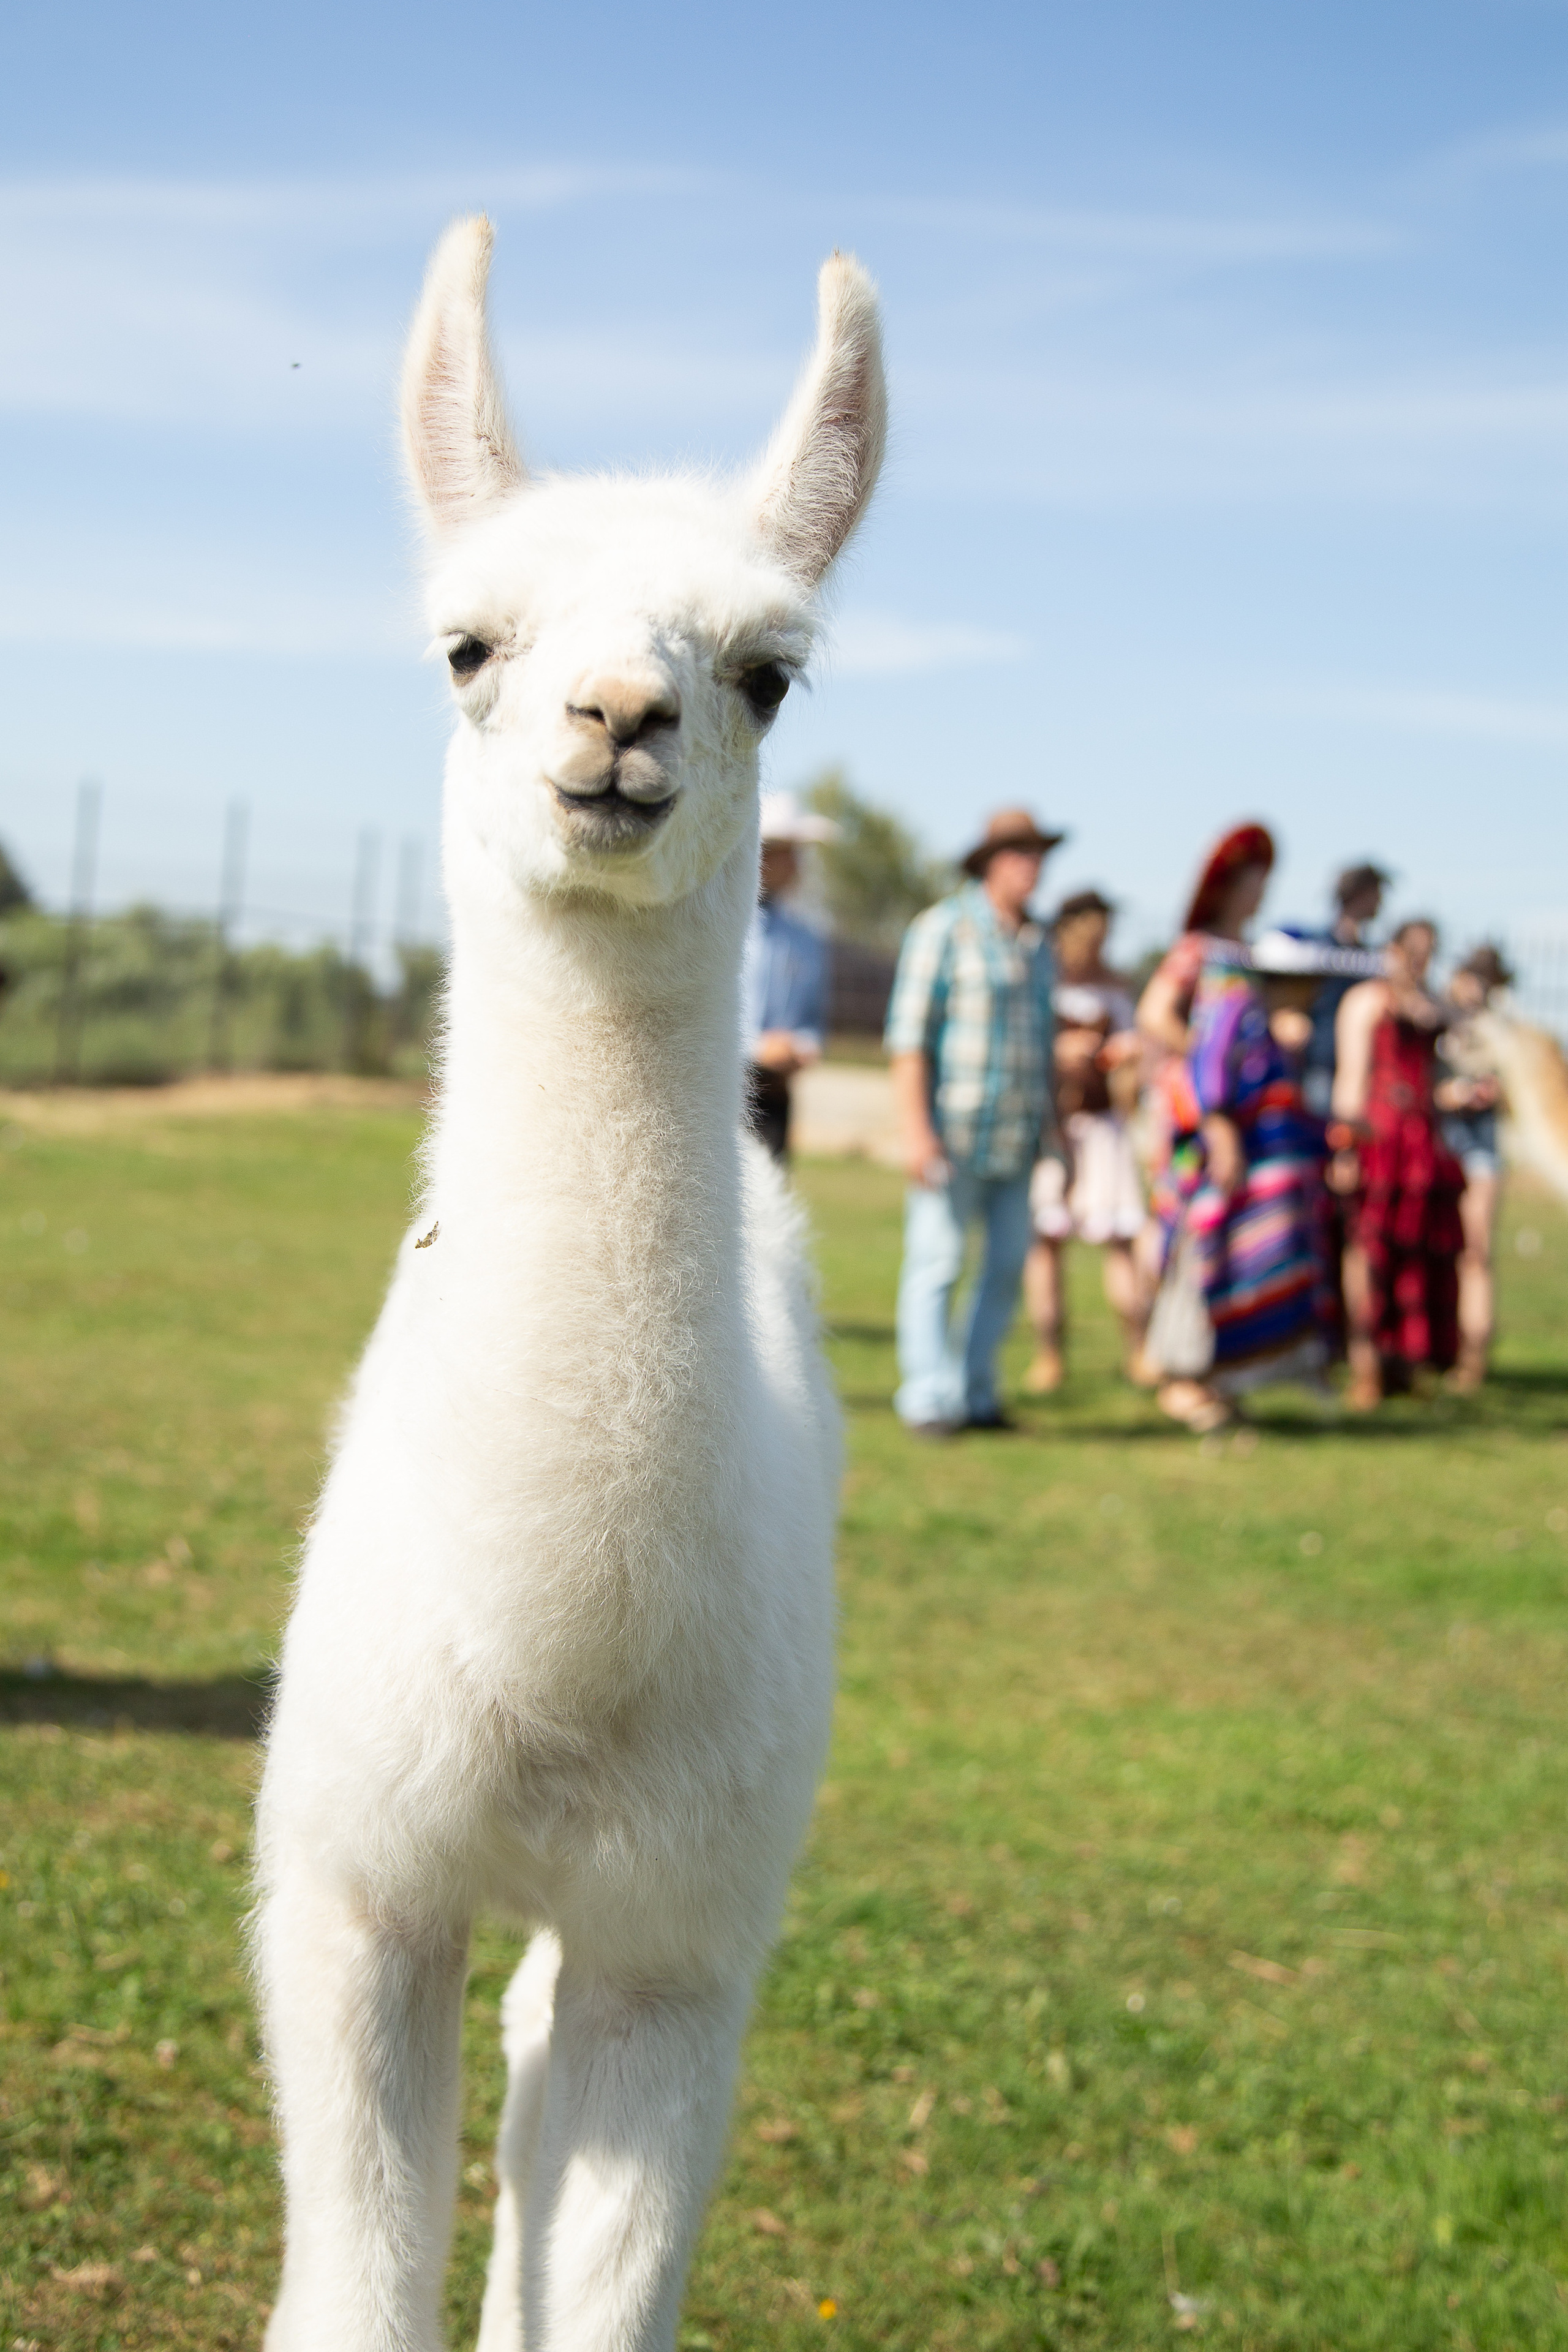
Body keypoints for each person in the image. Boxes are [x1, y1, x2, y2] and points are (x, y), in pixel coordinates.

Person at [884, 807, 1063, 1436]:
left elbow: (1045, 1045)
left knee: (1009, 1263)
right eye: (1020, 853)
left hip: (1019, 1137)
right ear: (990, 861)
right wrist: (916, 1132)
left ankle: (975, 1390)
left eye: (1039, 853)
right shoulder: (942, 929)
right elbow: (908, 1040)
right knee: (937, 1262)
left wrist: (1056, 1133)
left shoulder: (1042, 944)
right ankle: (928, 1399)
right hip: (953, 1133)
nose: (1032, 865)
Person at [1136, 821, 1275, 1423]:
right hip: (1194, 1120)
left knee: (1230, 1239)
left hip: (1239, 1119)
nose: (1256, 894)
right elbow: (1153, 1012)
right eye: (1247, 883)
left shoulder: (1249, 956)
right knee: (1191, 1232)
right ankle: (1176, 1368)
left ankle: (1215, 1366)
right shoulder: (1196, 950)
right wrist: (1205, 1050)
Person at [1332, 919, 1464, 1409]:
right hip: (1378, 1139)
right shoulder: (1368, 1001)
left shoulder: (1431, 1006)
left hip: (1423, 1142)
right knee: (1368, 1251)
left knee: (1417, 1254)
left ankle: (1406, 1364)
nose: (1419, 961)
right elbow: (1352, 1077)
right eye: (1412, 951)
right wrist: (1345, 1144)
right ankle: (1365, 1363)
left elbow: (1434, 1080)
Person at [1023, 890, 1146, 1390]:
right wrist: (1056, 1053)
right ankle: (1049, 1355)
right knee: (1047, 1245)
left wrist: (1126, 1056)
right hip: (1054, 1126)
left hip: (1103, 1129)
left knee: (1121, 1242)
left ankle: (1139, 1351)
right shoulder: (1040, 982)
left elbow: (1138, 1067)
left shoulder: (1117, 988)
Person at [742, 792, 839, 1160]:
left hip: (773, 1098)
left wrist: (801, 1048)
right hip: (713, 1088)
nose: (797, 865)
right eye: (788, 853)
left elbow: (813, 1022)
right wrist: (756, 1048)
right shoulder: (714, 930)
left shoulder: (808, 939)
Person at [1436, 943, 1513, 1391]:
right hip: (1442, 1141)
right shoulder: (1440, 1019)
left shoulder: (1500, 1032)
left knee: (1475, 1251)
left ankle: (1472, 1357)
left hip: (1479, 1143)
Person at [1301, 862, 1390, 1117]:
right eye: (1377, 895)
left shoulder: (1370, 958)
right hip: (1322, 1063)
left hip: (1361, 1069)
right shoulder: (1316, 947)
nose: (1380, 904)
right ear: (1360, 894)